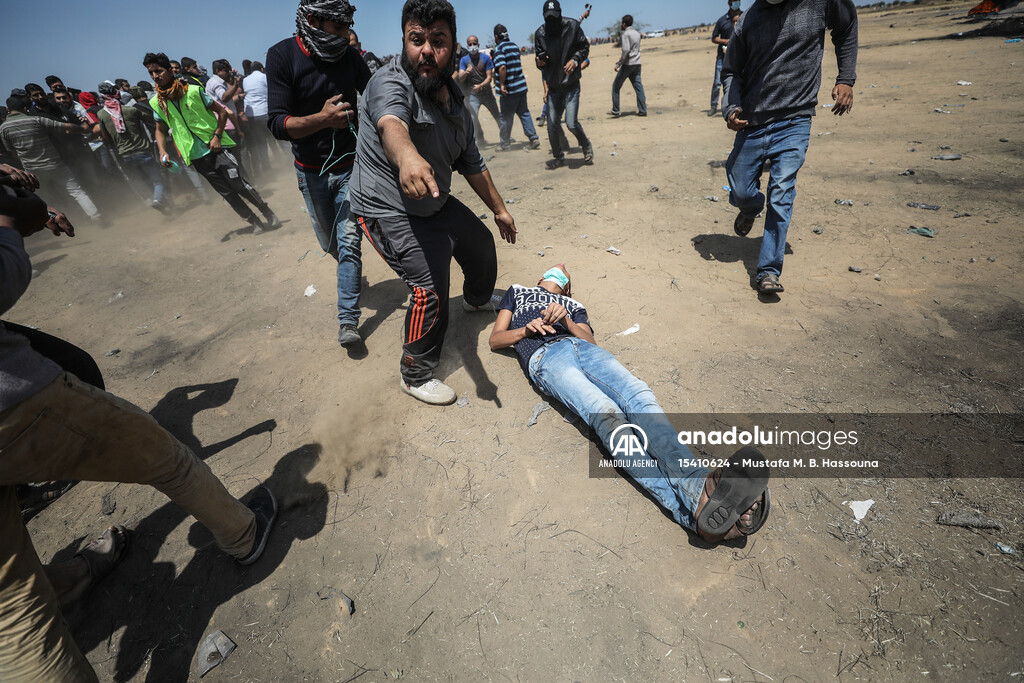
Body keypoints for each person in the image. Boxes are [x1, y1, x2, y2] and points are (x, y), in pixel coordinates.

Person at [0, 182, 278, 681]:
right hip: (13, 405)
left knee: (12, 607)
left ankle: (66, 582)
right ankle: (244, 533)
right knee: (166, 459)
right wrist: (8, 218)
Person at [488, 264, 770, 542]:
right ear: (541, 278)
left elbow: (590, 340)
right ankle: (698, 500)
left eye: (565, 273)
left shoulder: (573, 304)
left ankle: (700, 506)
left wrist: (567, 321)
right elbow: (495, 339)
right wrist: (525, 331)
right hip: (545, 355)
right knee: (606, 413)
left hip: (585, 350)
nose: (560, 267)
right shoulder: (518, 291)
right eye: (555, 268)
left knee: (639, 396)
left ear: (567, 287)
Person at [349, 0, 517, 405]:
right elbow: (391, 123)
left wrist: (499, 209)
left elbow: (472, 163)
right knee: (430, 287)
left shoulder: (455, 101)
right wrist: (407, 157)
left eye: (437, 41)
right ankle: (415, 372)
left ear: (453, 46)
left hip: (434, 199)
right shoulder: (388, 82)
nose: (426, 50)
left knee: (480, 243)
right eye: (416, 39)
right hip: (386, 207)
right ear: (404, 42)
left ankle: (476, 300)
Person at [723, 0, 857, 294]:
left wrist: (846, 78)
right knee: (741, 189)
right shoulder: (748, 20)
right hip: (752, 120)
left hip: (795, 118)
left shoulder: (819, 3)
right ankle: (751, 208)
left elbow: (846, 26)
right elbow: (731, 70)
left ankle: (768, 271)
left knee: (782, 192)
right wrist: (731, 107)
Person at [267, 0, 372, 346]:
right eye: (338, 28)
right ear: (313, 20)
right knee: (330, 243)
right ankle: (350, 274)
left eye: (347, 27)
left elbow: (374, 92)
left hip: (350, 167)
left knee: (349, 240)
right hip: (310, 173)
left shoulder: (349, 56)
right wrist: (323, 120)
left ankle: (348, 320)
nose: (345, 36)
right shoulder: (282, 56)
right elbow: (278, 124)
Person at [144, 52, 281, 233]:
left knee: (238, 184)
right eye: (151, 73)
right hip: (195, 155)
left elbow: (222, 112)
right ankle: (254, 221)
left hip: (217, 148)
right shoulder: (157, 102)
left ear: (170, 70)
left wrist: (217, 136)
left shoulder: (193, 91)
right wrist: (162, 150)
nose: (155, 76)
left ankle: (267, 212)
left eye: (158, 71)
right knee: (227, 193)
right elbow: (159, 129)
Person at [0, 94, 100, 222]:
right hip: (55, 164)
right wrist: (82, 129)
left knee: (45, 198)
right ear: (25, 108)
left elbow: (11, 151)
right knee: (76, 191)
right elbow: (66, 126)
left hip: (33, 170)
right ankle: (96, 216)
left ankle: (58, 222)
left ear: (8, 109)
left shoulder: (3, 128)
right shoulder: (36, 120)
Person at [95, 82, 169, 214]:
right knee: (158, 181)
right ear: (117, 94)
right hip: (143, 151)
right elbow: (151, 119)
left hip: (125, 156)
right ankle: (158, 200)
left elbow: (106, 137)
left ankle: (162, 205)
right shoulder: (131, 110)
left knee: (145, 181)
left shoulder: (101, 114)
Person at [535, 0, 593, 169]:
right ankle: (558, 157)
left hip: (571, 84)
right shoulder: (540, 33)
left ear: (560, 14)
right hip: (553, 87)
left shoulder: (572, 26)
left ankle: (586, 145)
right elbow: (539, 60)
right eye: (548, 18)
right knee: (552, 125)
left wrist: (575, 60)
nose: (551, 20)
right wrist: (540, 63)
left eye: (554, 17)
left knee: (571, 123)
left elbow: (584, 47)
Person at [491, 24, 540, 151]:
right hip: (521, 87)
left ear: (496, 37)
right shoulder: (514, 46)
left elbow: (502, 67)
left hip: (509, 90)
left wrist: (502, 84)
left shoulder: (500, 48)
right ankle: (533, 138)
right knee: (524, 113)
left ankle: (505, 144)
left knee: (506, 117)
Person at [456, 34, 502, 148]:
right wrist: (466, 72)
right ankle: (475, 143)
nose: (472, 46)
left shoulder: (485, 58)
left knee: (497, 115)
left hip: (487, 93)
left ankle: (505, 138)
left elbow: (489, 77)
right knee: (472, 119)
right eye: (470, 44)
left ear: (478, 44)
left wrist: (480, 85)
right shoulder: (464, 60)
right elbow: (460, 77)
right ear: (467, 46)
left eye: (474, 44)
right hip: (474, 95)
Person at [608, 14, 647, 118]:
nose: (621, 25)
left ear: (624, 24)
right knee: (638, 87)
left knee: (616, 86)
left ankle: (616, 110)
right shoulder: (637, 33)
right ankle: (643, 110)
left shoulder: (626, 34)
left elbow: (626, 51)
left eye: (622, 23)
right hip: (637, 63)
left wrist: (619, 64)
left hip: (628, 64)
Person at [241, 61, 274, 178]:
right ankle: (289, 161)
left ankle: (267, 169)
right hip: (265, 112)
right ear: (261, 69)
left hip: (252, 115)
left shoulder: (245, 80)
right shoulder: (264, 77)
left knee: (261, 144)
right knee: (280, 139)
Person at [709, 2, 740, 117]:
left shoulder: (745, 16)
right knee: (717, 83)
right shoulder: (722, 20)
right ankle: (713, 106)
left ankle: (736, 107)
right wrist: (725, 41)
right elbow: (714, 38)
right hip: (722, 57)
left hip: (739, 58)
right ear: (729, 3)